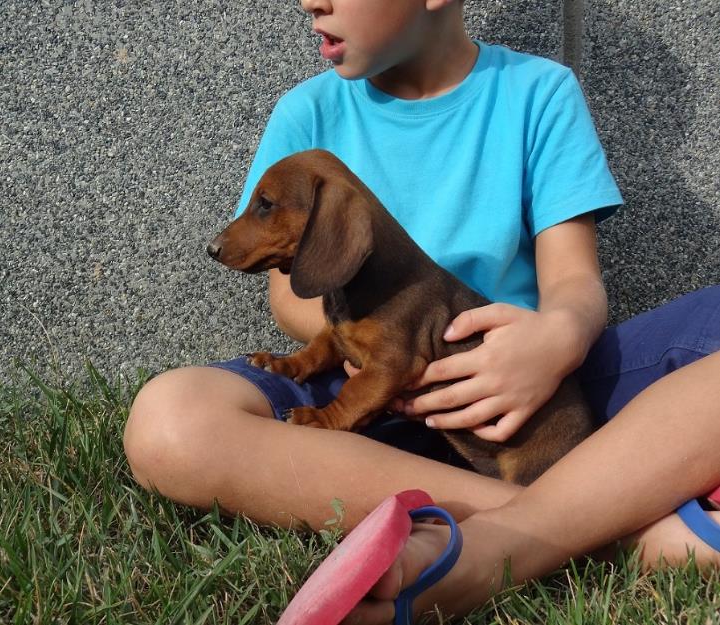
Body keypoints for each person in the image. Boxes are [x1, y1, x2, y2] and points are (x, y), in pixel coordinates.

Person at [123, 0, 720, 621]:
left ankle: (521, 526)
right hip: (362, 401)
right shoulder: (309, 112)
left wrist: (556, 341)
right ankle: (589, 521)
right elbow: (291, 295)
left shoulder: (536, 92)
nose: (309, 2)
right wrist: (382, 353)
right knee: (170, 421)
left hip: (528, 394)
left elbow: (573, 279)